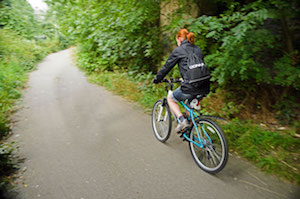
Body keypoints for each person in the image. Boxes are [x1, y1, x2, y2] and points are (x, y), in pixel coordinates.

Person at [153, 28, 210, 132]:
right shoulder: (197, 49)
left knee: (171, 98)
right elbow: (196, 67)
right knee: (189, 106)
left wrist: (157, 79)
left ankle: (182, 120)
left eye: (176, 40)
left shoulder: (179, 50)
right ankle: (191, 131)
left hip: (191, 86)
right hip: (205, 86)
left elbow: (167, 67)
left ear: (179, 39)